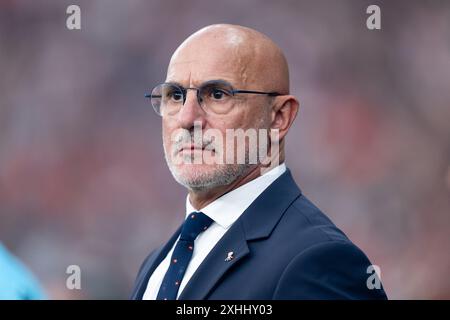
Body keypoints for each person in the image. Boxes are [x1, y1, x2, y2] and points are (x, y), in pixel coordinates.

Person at [131, 24, 387, 300]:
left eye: (217, 94)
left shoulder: (318, 259)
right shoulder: (158, 262)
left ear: (279, 117)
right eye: (176, 96)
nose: (186, 118)